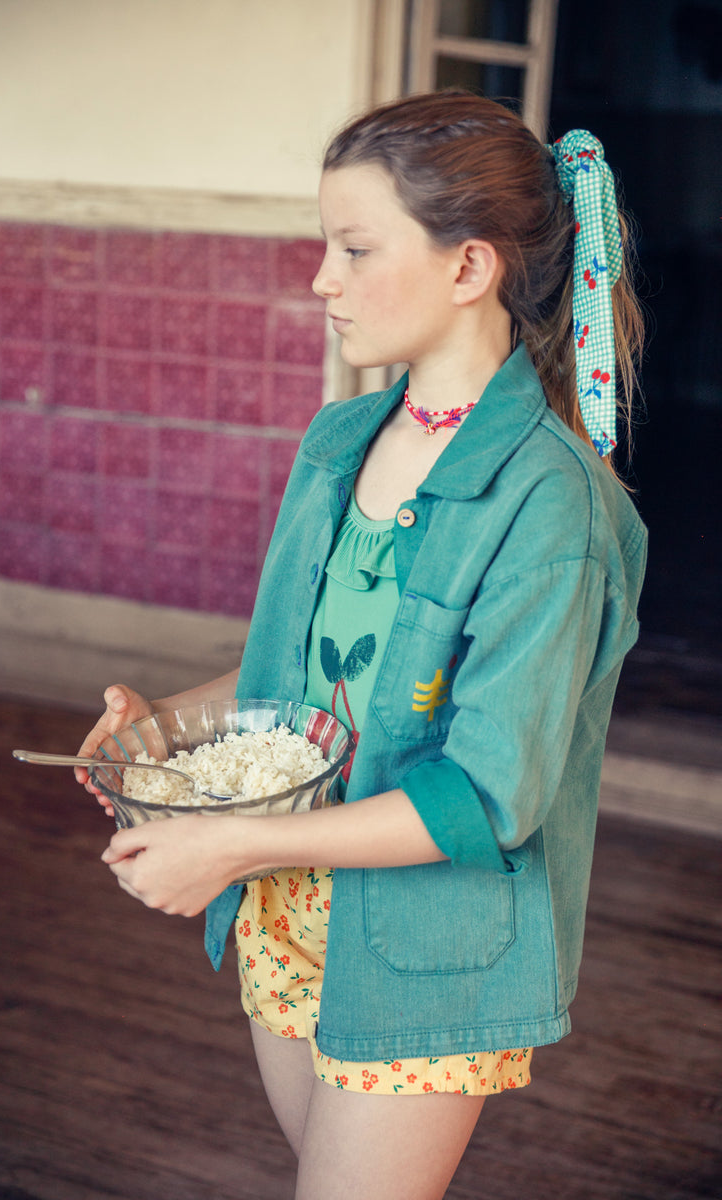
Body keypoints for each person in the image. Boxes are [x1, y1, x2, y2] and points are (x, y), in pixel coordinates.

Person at [75, 90, 647, 1199]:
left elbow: (485, 798)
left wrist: (228, 845)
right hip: (286, 918)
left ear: (467, 266)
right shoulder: (341, 438)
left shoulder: (549, 506)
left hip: (429, 947)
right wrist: (170, 738)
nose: (318, 279)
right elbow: (304, 678)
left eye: (351, 248)